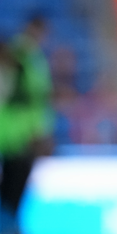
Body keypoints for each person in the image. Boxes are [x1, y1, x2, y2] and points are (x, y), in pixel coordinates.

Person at [0, 17, 53, 232]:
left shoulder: (27, 61)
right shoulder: (25, 60)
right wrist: (40, 130)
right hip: (17, 141)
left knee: (12, 198)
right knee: (11, 198)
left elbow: (36, 100)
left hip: (17, 141)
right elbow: (35, 100)